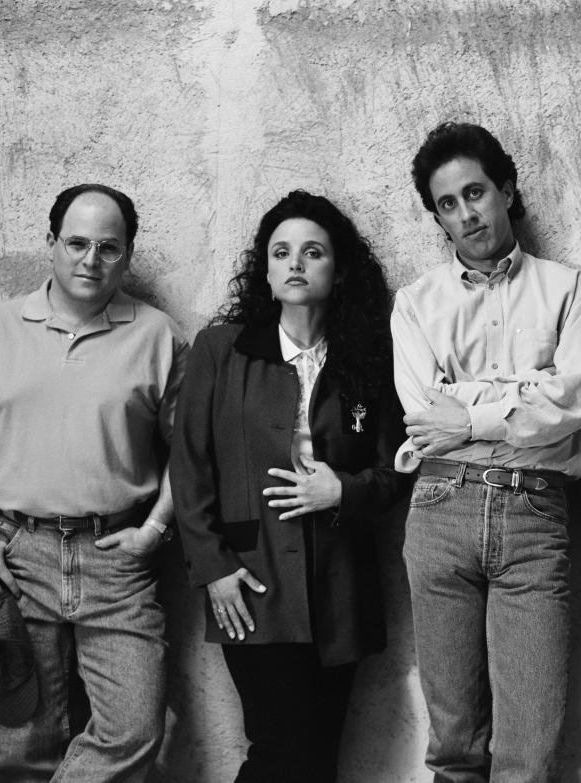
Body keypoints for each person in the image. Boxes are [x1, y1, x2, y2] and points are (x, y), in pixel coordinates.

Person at [0, 184, 188, 781]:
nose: (89, 260)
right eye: (75, 243)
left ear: (127, 255)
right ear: (50, 244)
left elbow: (189, 450)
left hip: (117, 560)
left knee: (135, 730)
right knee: (19, 746)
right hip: (18, 558)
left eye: (108, 247)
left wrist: (155, 527)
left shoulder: (159, 335)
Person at [393, 121, 581, 782]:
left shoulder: (570, 289)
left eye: (476, 192)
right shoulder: (416, 303)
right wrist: (525, 397)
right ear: (438, 217)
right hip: (439, 510)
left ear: (507, 190)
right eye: (448, 204)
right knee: (455, 745)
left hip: (536, 518)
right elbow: (427, 415)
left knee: (530, 752)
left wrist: (473, 410)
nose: (466, 213)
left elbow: (578, 399)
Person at [170, 189, 408, 783]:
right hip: (252, 582)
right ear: (266, 270)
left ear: (339, 268)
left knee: (320, 756)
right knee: (283, 751)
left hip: (341, 585)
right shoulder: (221, 349)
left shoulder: (369, 358)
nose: (295, 263)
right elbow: (190, 464)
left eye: (312, 252)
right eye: (281, 253)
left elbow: (398, 469)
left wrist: (343, 492)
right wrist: (212, 567)